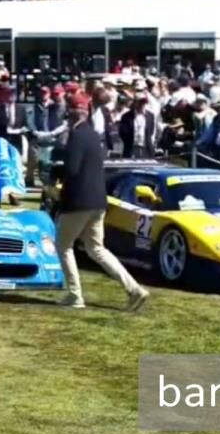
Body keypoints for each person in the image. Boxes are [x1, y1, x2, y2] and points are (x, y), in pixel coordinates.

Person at [55, 93, 150, 312]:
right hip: (98, 200)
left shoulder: (77, 135)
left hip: (79, 201)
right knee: (96, 248)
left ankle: (74, 294)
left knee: (64, 246)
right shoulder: (93, 135)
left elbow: (72, 170)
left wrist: (58, 174)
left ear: (71, 112)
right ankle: (134, 289)